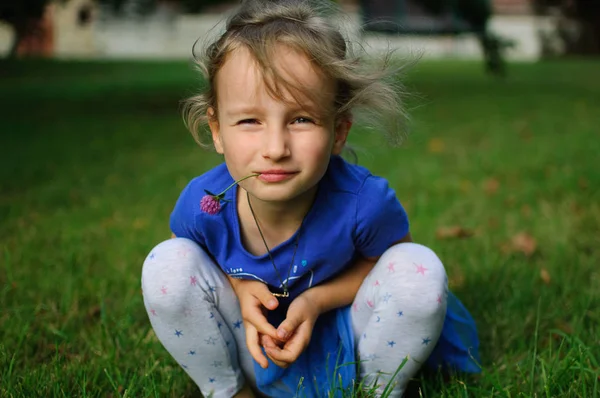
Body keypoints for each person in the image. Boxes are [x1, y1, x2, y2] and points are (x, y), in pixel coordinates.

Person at [141, 1, 480, 397]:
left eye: (301, 119)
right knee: (166, 265)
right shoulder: (205, 204)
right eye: (250, 120)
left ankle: (375, 392)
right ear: (216, 130)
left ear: (338, 132)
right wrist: (237, 287)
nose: (275, 147)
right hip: (254, 349)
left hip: (353, 349)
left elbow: (392, 268)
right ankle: (231, 392)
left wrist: (317, 301)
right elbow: (187, 277)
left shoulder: (363, 202)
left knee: (418, 268)